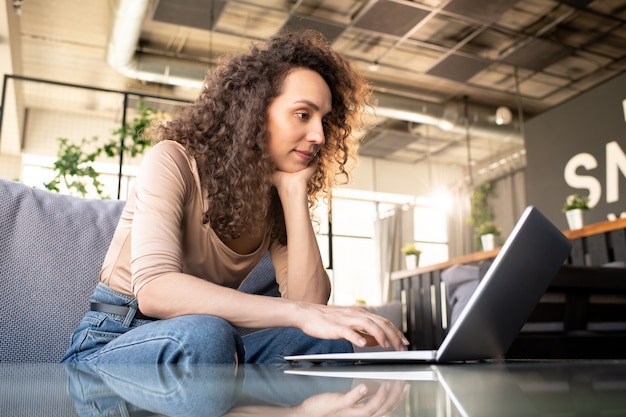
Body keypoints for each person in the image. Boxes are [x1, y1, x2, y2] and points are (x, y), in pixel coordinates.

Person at [61, 30, 409, 365]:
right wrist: (300, 314)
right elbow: (155, 290)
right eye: (303, 115)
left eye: (324, 120)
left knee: (330, 339)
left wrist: (292, 192)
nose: (318, 135)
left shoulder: (271, 200)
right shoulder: (172, 159)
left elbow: (310, 302)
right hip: (116, 339)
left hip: (211, 349)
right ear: (255, 113)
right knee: (207, 336)